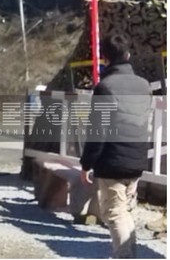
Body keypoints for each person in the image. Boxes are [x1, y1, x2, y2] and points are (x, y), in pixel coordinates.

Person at [80, 34, 152, 259]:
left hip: (112, 160)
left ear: (105, 59)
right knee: (127, 209)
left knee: (114, 213)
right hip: (137, 158)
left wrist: (86, 164)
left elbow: (97, 131)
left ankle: (124, 256)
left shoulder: (105, 87)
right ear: (128, 55)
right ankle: (130, 254)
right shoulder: (144, 86)